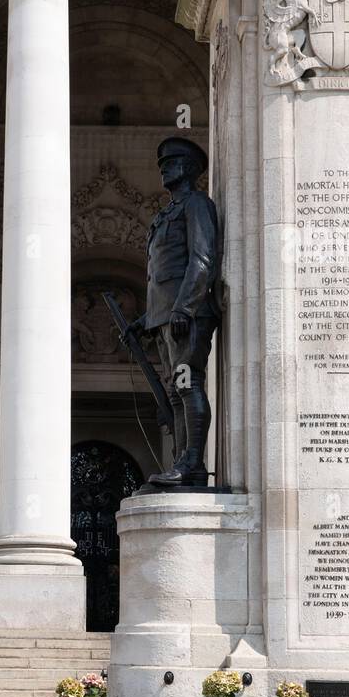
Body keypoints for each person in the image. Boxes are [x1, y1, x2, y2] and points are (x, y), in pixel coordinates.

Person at [125, 138, 221, 489]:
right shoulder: (167, 213)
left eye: (173, 162)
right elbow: (160, 278)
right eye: (163, 163)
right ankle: (184, 463)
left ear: (190, 168)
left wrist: (185, 307)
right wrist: (145, 320)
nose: (164, 167)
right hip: (167, 317)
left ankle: (191, 461)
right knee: (175, 390)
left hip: (188, 315)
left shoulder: (195, 205)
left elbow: (202, 259)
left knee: (187, 382)